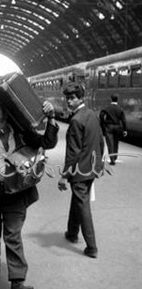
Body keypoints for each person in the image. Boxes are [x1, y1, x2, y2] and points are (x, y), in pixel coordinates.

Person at [0, 99, 59, 289]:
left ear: (6, 117)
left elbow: (48, 143)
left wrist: (51, 117)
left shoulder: (22, 133)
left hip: (17, 193)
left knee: (12, 236)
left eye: (0, 121)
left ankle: (17, 284)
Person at [57, 82, 104, 259]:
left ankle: (92, 247)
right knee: (78, 199)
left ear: (80, 98)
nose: (69, 101)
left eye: (72, 98)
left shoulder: (76, 120)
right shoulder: (92, 114)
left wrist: (64, 176)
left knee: (82, 204)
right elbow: (100, 140)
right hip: (91, 168)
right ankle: (72, 232)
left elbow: (73, 153)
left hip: (80, 170)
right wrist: (99, 165)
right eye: (67, 98)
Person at [99, 94, 127, 165]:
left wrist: (103, 124)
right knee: (116, 143)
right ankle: (115, 157)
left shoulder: (107, 108)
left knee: (110, 143)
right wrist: (125, 130)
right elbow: (124, 120)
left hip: (109, 127)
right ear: (117, 99)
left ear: (111, 99)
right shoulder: (120, 109)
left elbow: (101, 116)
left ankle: (112, 159)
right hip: (117, 127)